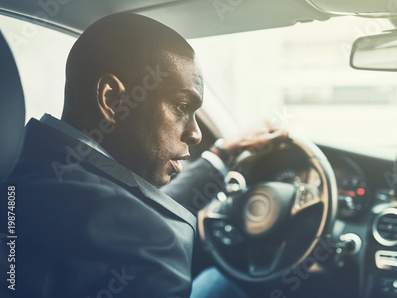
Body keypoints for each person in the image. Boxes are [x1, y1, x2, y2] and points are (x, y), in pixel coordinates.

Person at [1, 13, 287, 298]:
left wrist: (221, 155)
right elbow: (133, 217)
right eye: (182, 106)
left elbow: (120, 203)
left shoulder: (23, 162)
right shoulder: (149, 243)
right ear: (112, 100)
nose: (196, 134)